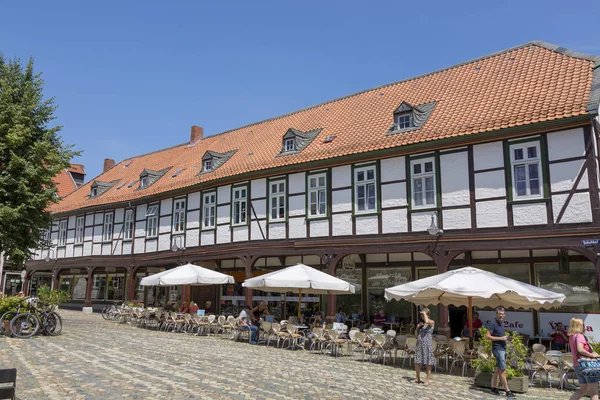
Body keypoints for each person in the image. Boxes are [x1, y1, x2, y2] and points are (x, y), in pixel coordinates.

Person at [485, 306, 516, 398]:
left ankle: (494, 388)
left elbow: (501, 335)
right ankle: (507, 391)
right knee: (503, 369)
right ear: (496, 314)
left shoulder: (501, 323)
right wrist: (501, 338)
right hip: (497, 349)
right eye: (499, 314)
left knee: (498, 369)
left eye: (502, 314)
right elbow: (487, 336)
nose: (501, 316)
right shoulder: (493, 323)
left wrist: (508, 338)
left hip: (502, 348)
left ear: (504, 315)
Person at [569, 318, 599, 400]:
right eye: (583, 325)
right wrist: (592, 355)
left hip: (577, 365)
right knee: (594, 391)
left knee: (583, 390)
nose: (584, 327)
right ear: (579, 326)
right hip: (587, 365)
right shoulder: (580, 336)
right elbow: (580, 349)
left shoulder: (572, 337)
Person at [414, 308, 435, 386]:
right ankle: (418, 378)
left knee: (428, 363)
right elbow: (416, 334)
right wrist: (417, 327)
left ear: (428, 315)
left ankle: (427, 380)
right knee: (417, 361)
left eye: (424, 314)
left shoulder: (431, 322)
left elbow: (427, 321)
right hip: (419, 344)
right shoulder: (422, 323)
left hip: (427, 345)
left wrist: (425, 314)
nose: (422, 316)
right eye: (421, 315)